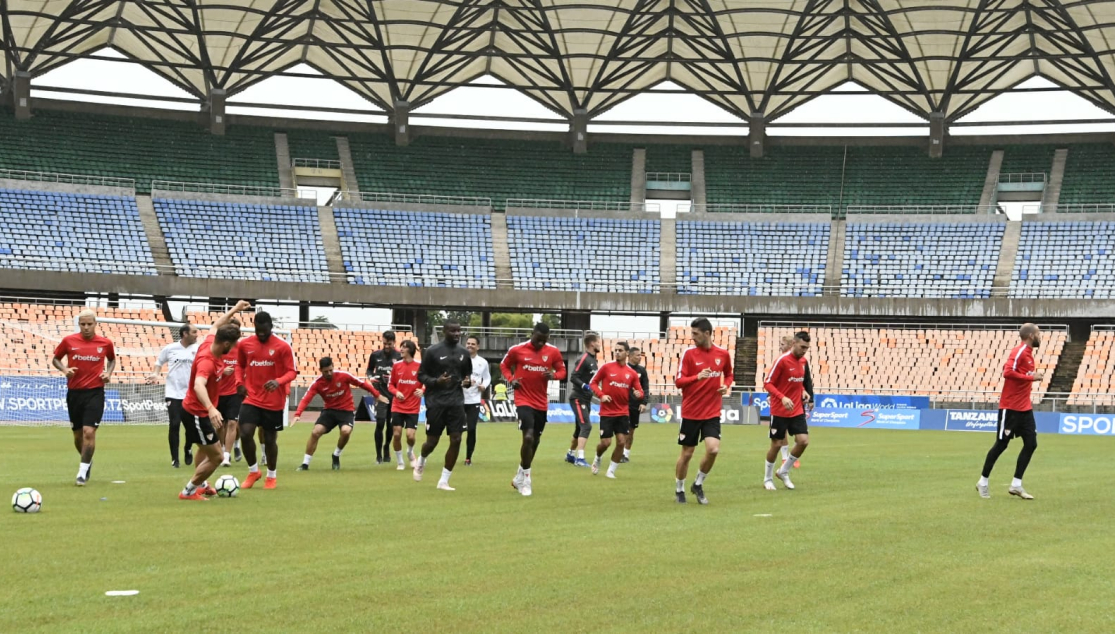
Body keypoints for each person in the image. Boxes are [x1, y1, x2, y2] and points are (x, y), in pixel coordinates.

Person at [977, 323, 1044, 500]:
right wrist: (1031, 377)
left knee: (1031, 443)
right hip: (1010, 407)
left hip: (1025, 408)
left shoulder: (1029, 355)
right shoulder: (1019, 351)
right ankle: (983, 481)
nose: (1040, 336)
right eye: (1038, 333)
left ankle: (1016, 484)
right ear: (1030, 335)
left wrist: (1031, 378)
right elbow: (1007, 372)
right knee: (1001, 444)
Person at [501, 322, 567, 497]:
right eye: (538, 340)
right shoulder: (517, 349)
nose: (540, 344)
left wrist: (554, 375)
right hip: (523, 399)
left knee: (535, 441)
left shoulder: (553, 352)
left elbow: (562, 371)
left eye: (544, 341)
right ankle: (527, 481)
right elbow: (504, 365)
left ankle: (519, 475)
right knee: (528, 436)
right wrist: (511, 379)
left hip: (541, 402)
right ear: (532, 334)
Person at [52, 309, 116, 487]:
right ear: (79, 324)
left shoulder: (105, 343)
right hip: (74, 394)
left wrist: (108, 373)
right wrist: (65, 370)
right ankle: (87, 461)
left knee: (89, 432)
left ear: (96, 324)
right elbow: (55, 359)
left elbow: (112, 360)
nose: (86, 327)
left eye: (89, 324)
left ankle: (81, 472)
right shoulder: (68, 341)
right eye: (83, 324)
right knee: (78, 435)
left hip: (95, 392)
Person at [178, 324, 242, 500]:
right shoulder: (207, 361)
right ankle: (189, 491)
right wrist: (211, 408)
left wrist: (236, 308)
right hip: (196, 414)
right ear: (227, 344)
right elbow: (199, 385)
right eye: (235, 344)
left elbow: (215, 325)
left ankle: (203, 485)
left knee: (207, 450)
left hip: (198, 413)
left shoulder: (209, 342)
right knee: (217, 457)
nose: (236, 347)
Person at [673, 317, 733, 505]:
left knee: (713, 450)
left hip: (712, 412)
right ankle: (679, 488)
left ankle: (698, 484)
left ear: (707, 333)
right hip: (691, 412)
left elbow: (729, 374)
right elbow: (678, 382)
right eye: (692, 333)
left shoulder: (722, 354)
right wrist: (696, 377)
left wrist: (726, 386)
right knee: (687, 453)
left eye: (696, 334)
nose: (692, 337)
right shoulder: (689, 355)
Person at [236, 309, 297, 490]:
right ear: (254, 327)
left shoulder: (282, 346)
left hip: (273, 400)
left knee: (270, 439)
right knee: (246, 432)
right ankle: (253, 471)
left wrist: (278, 382)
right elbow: (239, 365)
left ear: (271, 327)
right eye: (258, 331)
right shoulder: (244, 344)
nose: (261, 334)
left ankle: (271, 476)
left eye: (264, 331)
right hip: (251, 397)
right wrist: (239, 382)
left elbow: (292, 372)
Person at [294, 357, 386, 471]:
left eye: (330, 370)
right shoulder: (317, 383)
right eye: (325, 371)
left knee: (346, 431)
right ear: (320, 370)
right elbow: (306, 399)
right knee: (315, 432)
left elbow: (362, 384)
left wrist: (377, 395)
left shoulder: (343, 376)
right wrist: (298, 414)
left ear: (333, 366)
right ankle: (305, 464)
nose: (329, 373)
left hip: (346, 411)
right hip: (329, 411)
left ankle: (336, 455)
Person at [413, 320, 473, 491]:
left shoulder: (464, 353)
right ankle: (422, 459)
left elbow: (466, 376)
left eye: (458, 331)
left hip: (456, 402)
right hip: (436, 402)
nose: (456, 334)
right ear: (445, 331)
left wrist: (467, 382)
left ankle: (444, 480)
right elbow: (421, 376)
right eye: (453, 331)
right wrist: (436, 381)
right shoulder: (432, 352)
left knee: (457, 439)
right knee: (432, 442)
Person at [764, 331, 812, 491]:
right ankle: (767, 478)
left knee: (803, 441)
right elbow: (768, 383)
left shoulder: (803, 361)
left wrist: (803, 390)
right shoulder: (782, 361)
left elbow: (797, 381)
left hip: (796, 409)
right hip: (779, 409)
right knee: (776, 445)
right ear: (794, 344)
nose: (804, 350)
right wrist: (782, 397)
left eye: (807, 348)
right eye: (802, 347)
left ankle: (783, 471)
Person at [147, 323, 199, 468]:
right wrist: (155, 374)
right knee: (174, 424)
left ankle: (188, 448)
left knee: (191, 427)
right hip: (173, 393)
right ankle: (175, 459)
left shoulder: (198, 349)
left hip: (191, 394)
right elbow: (159, 362)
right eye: (194, 332)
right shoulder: (170, 348)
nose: (197, 334)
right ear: (185, 334)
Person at [589, 341, 643, 479]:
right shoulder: (606, 368)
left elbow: (640, 391)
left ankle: (611, 471)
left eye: (620, 350)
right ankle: (598, 457)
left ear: (626, 353)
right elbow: (593, 383)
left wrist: (639, 394)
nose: (617, 352)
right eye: (616, 350)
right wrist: (601, 395)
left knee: (621, 442)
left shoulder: (631, 373)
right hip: (607, 413)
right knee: (606, 442)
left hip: (623, 413)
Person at [774, 335, 813, 470]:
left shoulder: (802, 361)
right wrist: (775, 396)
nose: (781, 346)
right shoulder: (781, 361)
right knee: (780, 437)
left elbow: (805, 379)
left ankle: (788, 461)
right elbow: (772, 381)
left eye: (782, 344)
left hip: (797, 403)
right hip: (781, 403)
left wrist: (808, 395)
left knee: (801, 438)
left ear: (791, 344)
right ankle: (785, 458)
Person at [366, 331, 402, 465]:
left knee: (391, 425)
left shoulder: (399, 356)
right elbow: (369, 370)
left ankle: (387, 446)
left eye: (390, 344)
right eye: (385, 343)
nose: (387, 346)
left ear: (394, 343)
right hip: (380, 394)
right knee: (380, 423)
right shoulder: (375, 355)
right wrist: (371, 377)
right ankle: (378, 455)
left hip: (394, 394)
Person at [566, 333, 600, 468]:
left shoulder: (593, 360)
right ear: (592, 343)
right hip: (578, 398)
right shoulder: (584, 358)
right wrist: (584, 386)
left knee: (579, 428)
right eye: (598, 342)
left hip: (586, 399)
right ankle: (580, 458)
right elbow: (573, 376)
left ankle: (570, 454)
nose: (599, 344)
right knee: (586, 426)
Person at [389, 340, 423, 470]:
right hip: (398, 405)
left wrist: (423, 390)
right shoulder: (396, 366)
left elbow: (427, 382)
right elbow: (390, 384)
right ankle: (400, 462)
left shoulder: (420, 366)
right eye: (401, 347)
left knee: (410, 435)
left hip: (413, 406)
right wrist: (396, 392)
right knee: (397, 434)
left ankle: (410, 452)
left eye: (404, 347)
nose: (401, 349)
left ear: (410, 350)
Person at [216, 316, 245, 467]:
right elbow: (211, 365)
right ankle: (221, 450)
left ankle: (227, 455)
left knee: (233, 423)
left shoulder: (242, 348)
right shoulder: (220, 347)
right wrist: (221, 370)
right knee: (220, 425)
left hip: (235, 392)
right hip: (218, 391)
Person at [463, 335, 491, 466]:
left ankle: (468, 457)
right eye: (468, 343)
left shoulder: (483, 362)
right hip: (459, 399)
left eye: (473, 344)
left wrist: (483, 386)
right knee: (456, 430)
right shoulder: (460, 359)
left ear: (478, 347)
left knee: (471, 429)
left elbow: (487, 378)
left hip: (474, 400)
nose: (469, 346)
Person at [623, 346, 650, 463]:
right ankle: (619, 453)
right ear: (630, 355)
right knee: (621, 431)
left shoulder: (642, 370)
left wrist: (644, 403)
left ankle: (625, 455)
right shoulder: (622, 368)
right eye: (638, 355)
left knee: (631, 431)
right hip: (622, 404)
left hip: (634, 405)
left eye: (640, 355)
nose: (640, 357)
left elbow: (646, 388)